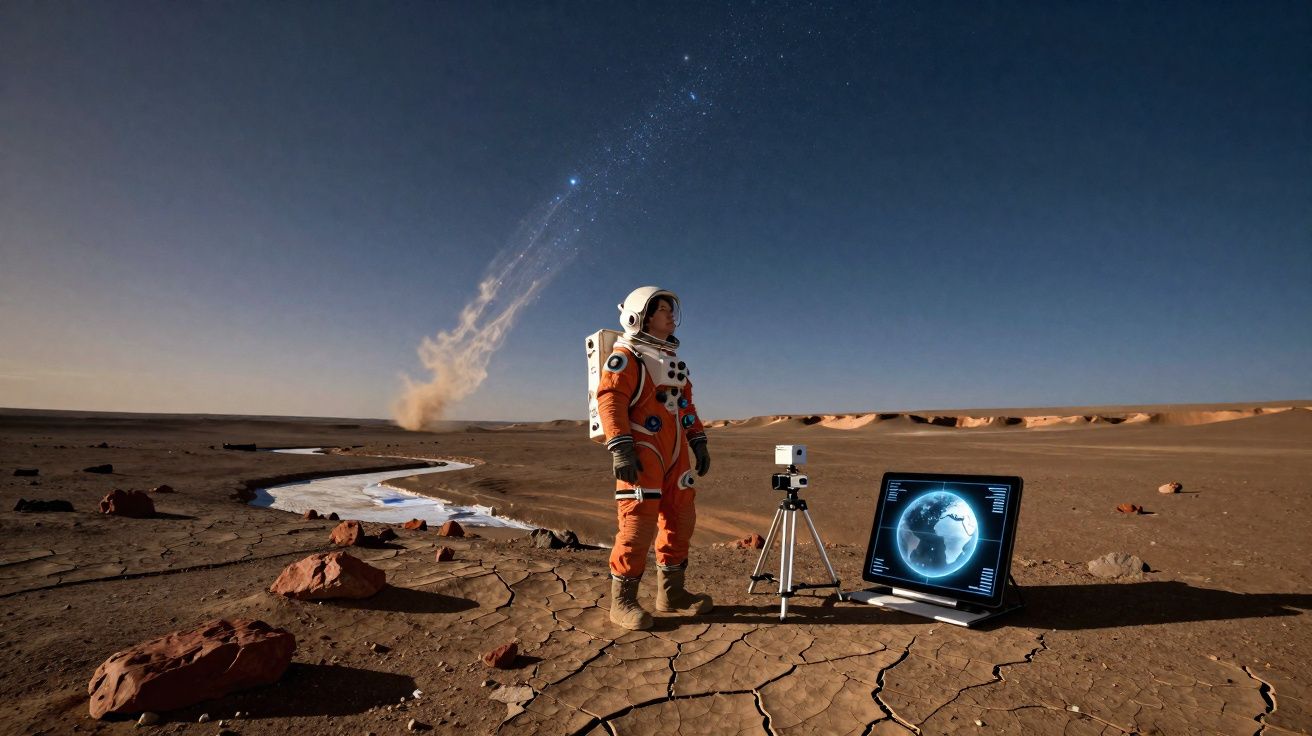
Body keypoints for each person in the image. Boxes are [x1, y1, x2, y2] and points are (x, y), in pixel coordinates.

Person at [596, 286, 713, 630]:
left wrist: (699, 441)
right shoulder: (627, 356)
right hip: (643, 450)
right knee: (638, 523)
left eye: (670, 309)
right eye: (662, 309)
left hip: (674, 453)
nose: (670, 315)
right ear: (640, 316)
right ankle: (623, 601)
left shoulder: (672, 362)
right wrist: (620, 446)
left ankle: (671, 595)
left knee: (681, 518)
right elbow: (611, 398)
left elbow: (686, 407)